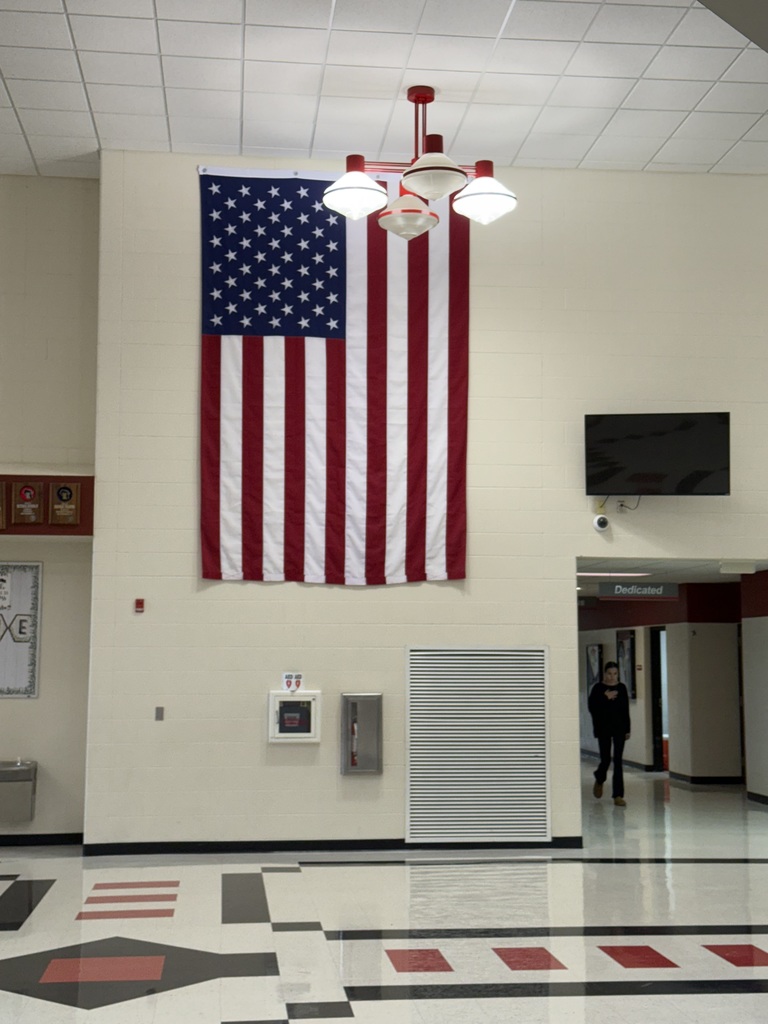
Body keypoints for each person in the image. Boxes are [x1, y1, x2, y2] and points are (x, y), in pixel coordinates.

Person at [588, 660, 631, 806]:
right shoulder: (598, 688)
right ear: (605, 674)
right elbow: (592, 708)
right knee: (605, 759)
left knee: (618, 761)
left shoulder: (622, 688)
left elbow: (625, 710)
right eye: (609, 673)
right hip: (603, 728)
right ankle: (599, 778)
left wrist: (627, 729)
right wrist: (604, 698)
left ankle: (618, 795)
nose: (612, 677)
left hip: (619, 729)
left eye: (615, 674)